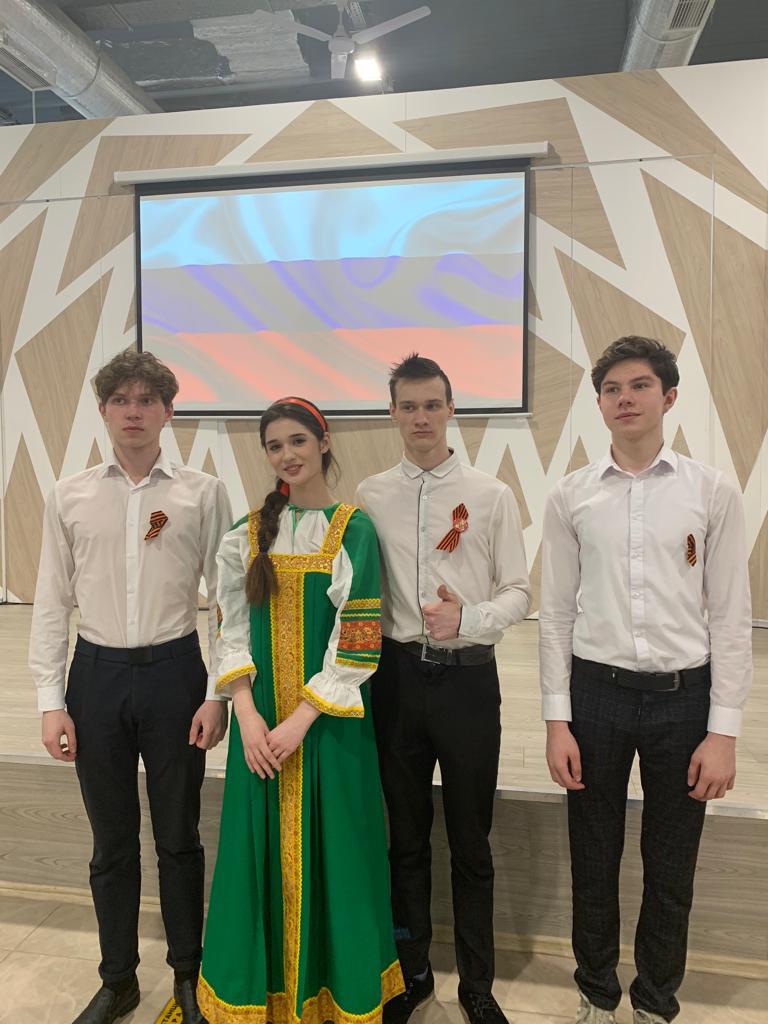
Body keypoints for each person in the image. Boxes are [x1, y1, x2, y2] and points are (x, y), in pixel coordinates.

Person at [538, 336, 753, 1024]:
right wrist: (556, 720)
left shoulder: (711, 491)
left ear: (669, 396)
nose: (624, 399)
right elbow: (556, 614)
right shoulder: (572, 495)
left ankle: (656, 1001)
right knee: (593, 858)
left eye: (638, 386)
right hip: (595, 695)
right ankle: (596, 993)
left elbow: (731, 616)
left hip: (683, 702)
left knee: (671, 866)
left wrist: (723, 733)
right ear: (599, 403)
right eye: (611, 389)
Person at [29, 348, 232, 1024]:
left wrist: (217, 693)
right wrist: (50, 701)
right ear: (104, 410)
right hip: (96, 679)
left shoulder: (202, 493)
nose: (134, 412)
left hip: (177, 676)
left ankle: (188, 976)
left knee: (179, 837)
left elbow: (226, 599)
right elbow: (52, 601)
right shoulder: (70, 495)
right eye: (122, 400)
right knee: (111, 843)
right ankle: (117, 980)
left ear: (168, 411)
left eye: (148, 400)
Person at [198, 396, 403, 1024]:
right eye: (274, 446)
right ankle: (260, 996)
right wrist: (247, 713)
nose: (287, 455)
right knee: (255, 855)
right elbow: (229, 627)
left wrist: (301, 719)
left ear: (323, 442)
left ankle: (336, 995)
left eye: (297, 441)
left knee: (340, 855)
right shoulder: (245, 534)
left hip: (329, 728)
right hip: (260, 730)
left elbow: (358, 638)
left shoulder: (353, 529)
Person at [356, 354, 531, 1024]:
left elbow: (519, 592)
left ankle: (477, 986)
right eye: (408, 406)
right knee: (404, 840)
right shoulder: (370, 496)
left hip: (467, 684)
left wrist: (470, 618)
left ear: (452, 409)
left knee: (470, 842)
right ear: (392, 414)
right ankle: (412, 972)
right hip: (396, 682)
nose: (421, 417)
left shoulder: (491, 495)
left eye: (433, 405)